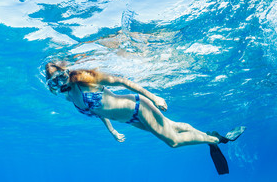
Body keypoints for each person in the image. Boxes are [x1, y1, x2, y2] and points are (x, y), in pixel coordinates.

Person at [45, 61, 233, 148]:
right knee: (172, 126)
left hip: (138, 107)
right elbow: (98, 111)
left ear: (67, 72)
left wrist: (154, 98)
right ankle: (206, 134)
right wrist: (112, 131)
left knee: (173, 141)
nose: (61, 83)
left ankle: (215, 140)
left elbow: (122, 82)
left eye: (62, 76)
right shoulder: (70, 97)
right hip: (130, 120)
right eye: (55, 82)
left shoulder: (87, 80)